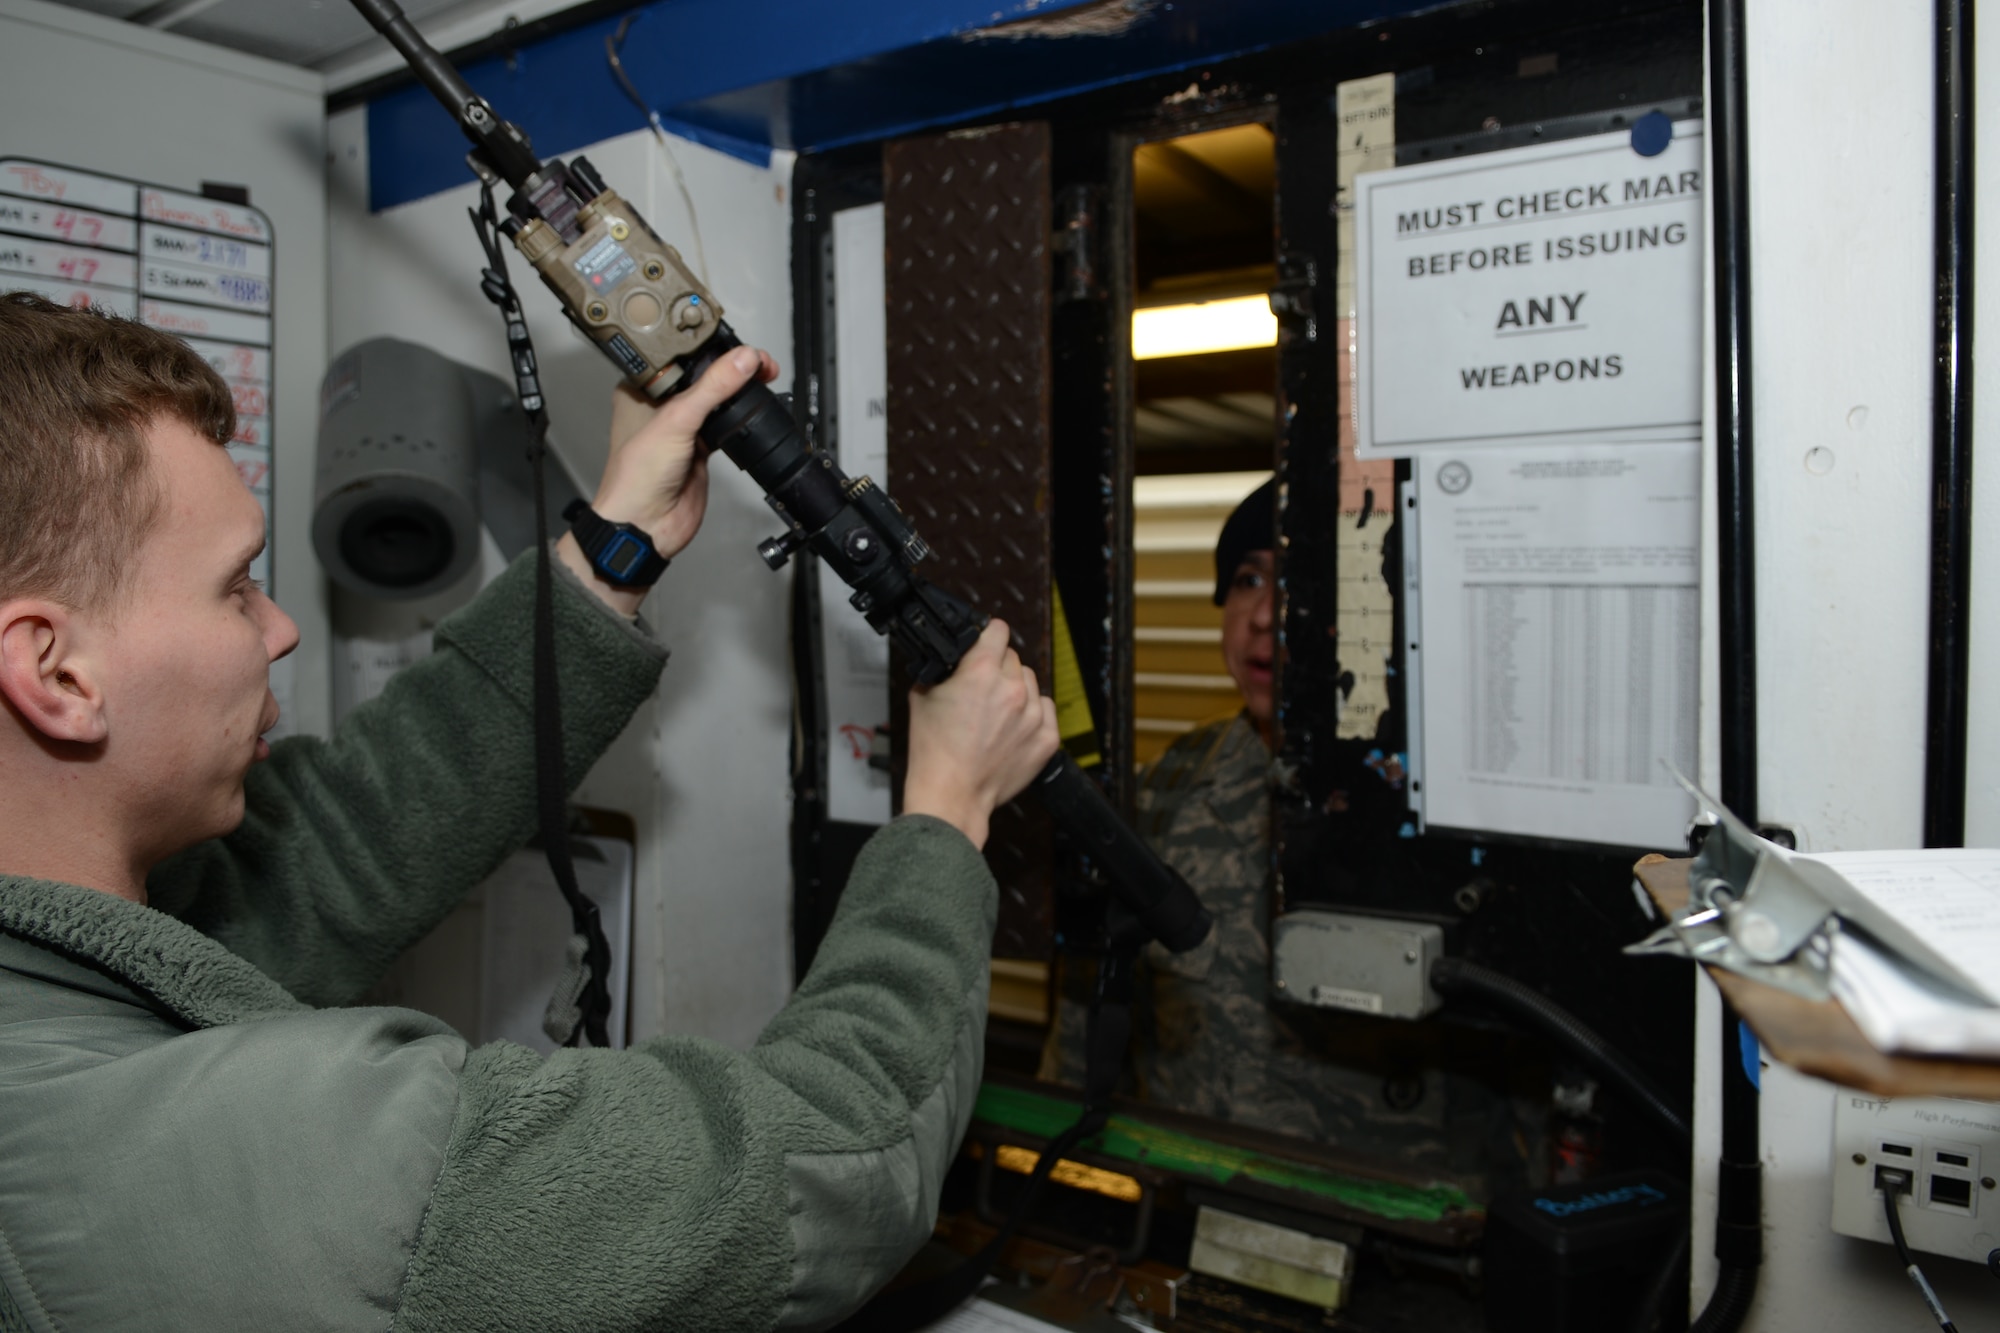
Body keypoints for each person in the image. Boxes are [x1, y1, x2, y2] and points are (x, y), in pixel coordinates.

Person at [0, 291, 1059, 1331]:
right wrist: (946, 813)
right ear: (56, 672)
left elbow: (338, 842)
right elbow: (827, 1166)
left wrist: (614, 551)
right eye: (234, 586)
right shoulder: (276, 1160)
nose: (278, 628)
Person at [1044, 480, 1477, 1174]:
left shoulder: (1444, 806)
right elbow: (1088, 1020)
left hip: (1392, 1240)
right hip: (1190, 1202)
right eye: (1248, 578)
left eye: (1300, 577)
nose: (1265, 615)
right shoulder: (1167, 791)